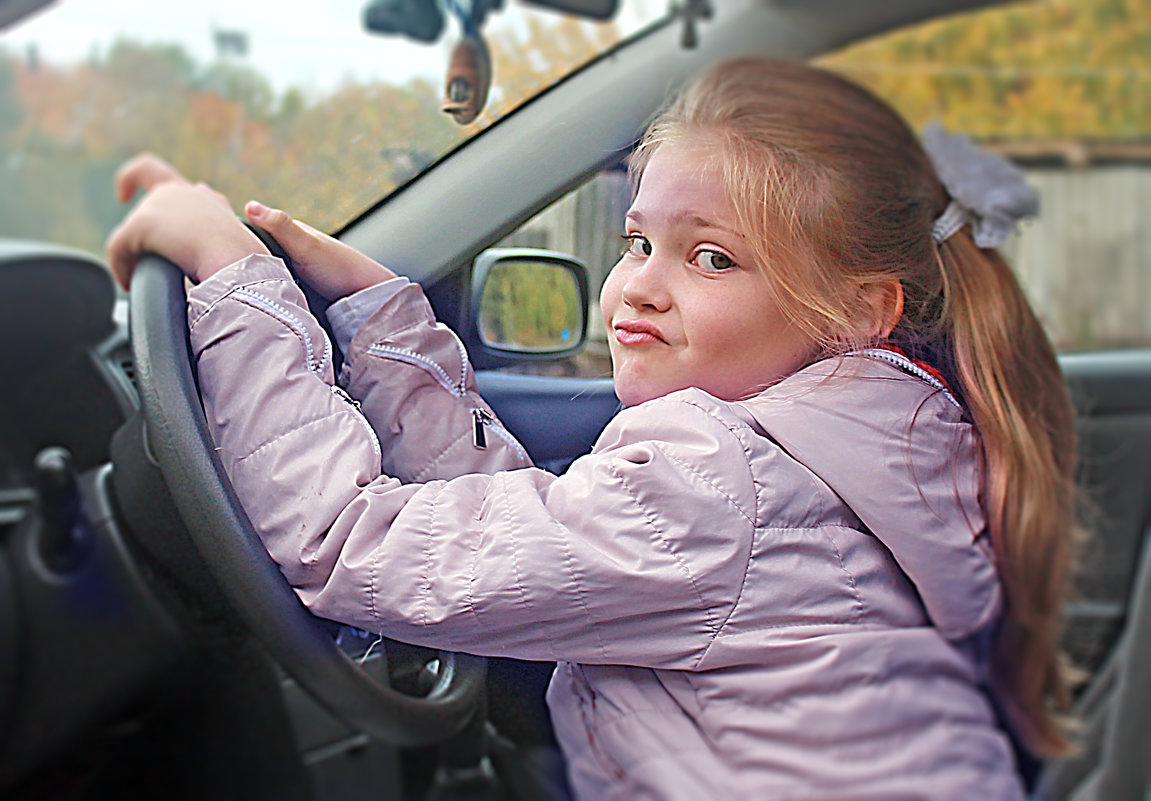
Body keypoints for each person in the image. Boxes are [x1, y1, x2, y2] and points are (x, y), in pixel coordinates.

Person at [106, 58, 1079, 800]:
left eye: (709, 258)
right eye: (638, 242)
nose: (639, 286)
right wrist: (375, 313)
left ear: (857, 308)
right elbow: (497, 522)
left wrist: (234, 277)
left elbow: (354, 547)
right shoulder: (870, 442)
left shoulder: (725, 485)